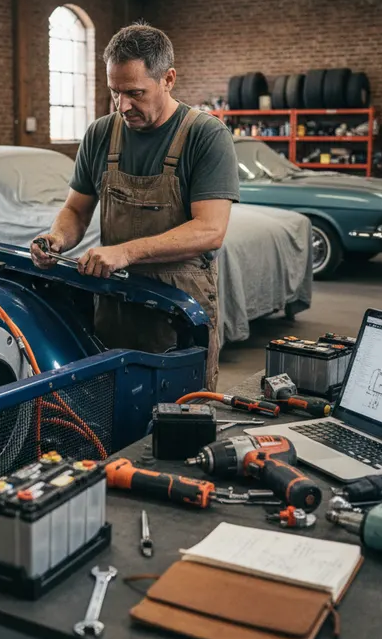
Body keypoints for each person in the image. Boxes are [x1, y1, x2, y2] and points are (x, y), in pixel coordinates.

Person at [30, 22, 239, 391]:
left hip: (179, 310)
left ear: (169, 79)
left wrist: (125, 252)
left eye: (135, 93)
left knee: (179, 416)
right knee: (110, 409)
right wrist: (57, 238)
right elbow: (76, 211)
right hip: (115, 304)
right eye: (115, 92)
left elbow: (210, 229)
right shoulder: (100, 134)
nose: (123, 105)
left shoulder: (205, 136)